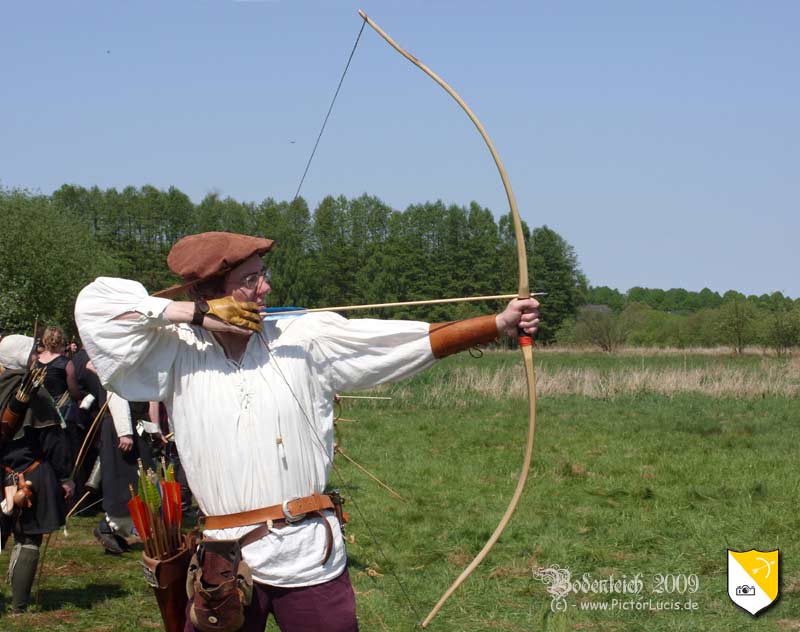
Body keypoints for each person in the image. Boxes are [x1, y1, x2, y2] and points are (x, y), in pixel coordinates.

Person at [74, 231, 539, 632]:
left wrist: (496, 325)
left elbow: (396, 342)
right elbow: (95, 307)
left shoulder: (301, 336)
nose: (265, 287)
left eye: (264, 274)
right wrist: (193, 317)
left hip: (307, 554)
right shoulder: (176, 350)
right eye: (249, 280)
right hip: (224, 563)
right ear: (208, 294)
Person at [0, 362, 74, 613]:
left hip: (7, 472)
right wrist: (65, 477)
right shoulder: (35, 392)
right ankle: (18, 607)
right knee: (29, 537)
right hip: (32, 474)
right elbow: (53, 440)